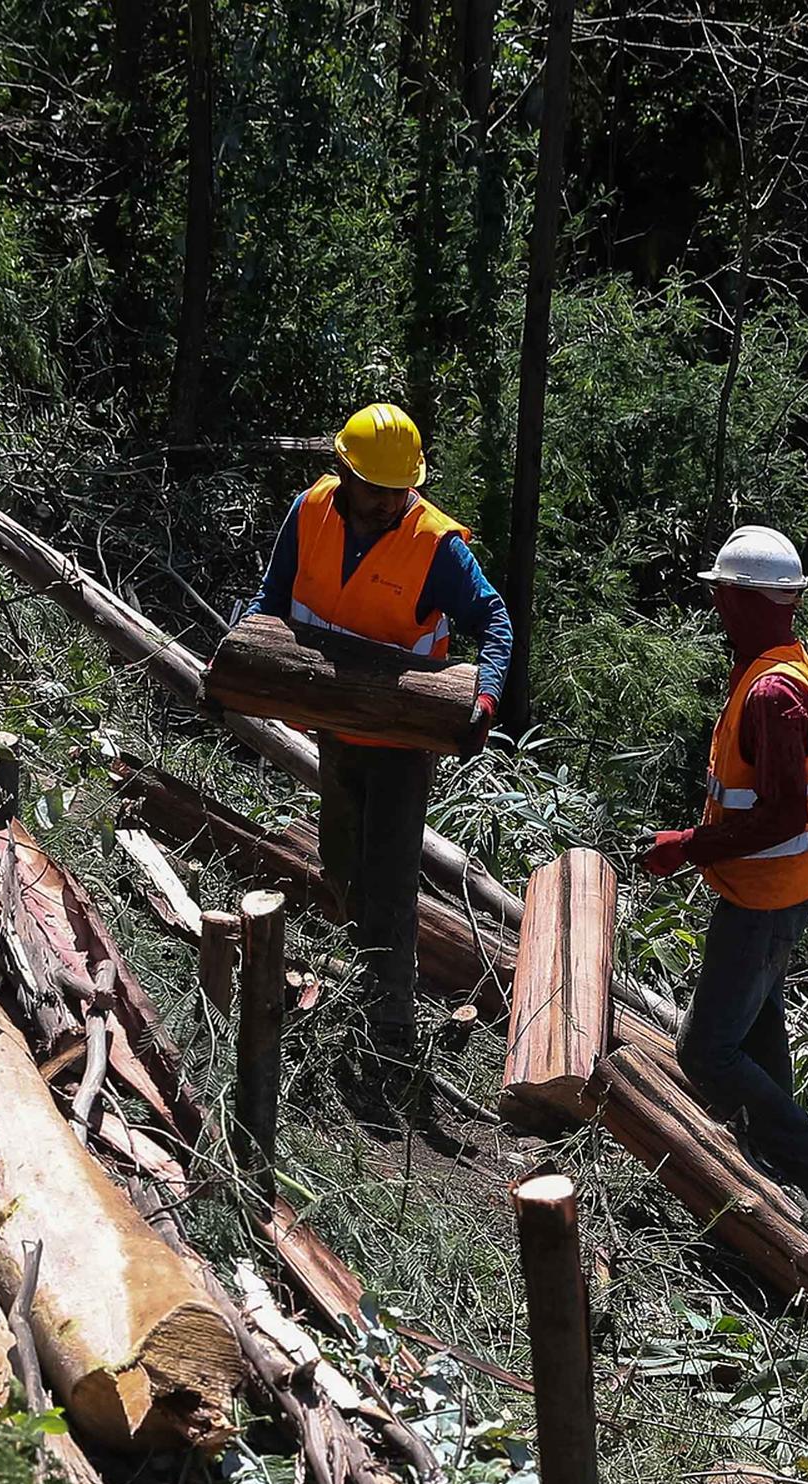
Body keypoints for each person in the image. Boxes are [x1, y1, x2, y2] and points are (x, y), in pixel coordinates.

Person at [234, 401, 512, 1124]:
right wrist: (237, 661)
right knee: (339, 863)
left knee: (389, 886)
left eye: (401, 489)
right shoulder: (310, 513)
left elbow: (497, 621)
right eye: (377, 487)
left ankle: (388, 1038)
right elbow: (271, 598)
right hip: (333, 730)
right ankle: (361, 984)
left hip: (400, 746)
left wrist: (483, 696)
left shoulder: (435, 546)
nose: (391, 500)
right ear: (344, 473)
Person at [634, 524, 808, 1200]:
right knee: (758, 1026)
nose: (718, 608)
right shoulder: (782, 659)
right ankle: (781, 1159)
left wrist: (688, 847)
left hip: (765, 899)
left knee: (706, 1051)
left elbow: (783, 814)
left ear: (750, 601)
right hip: (774, 890)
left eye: (725, 596)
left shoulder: (771, 695)